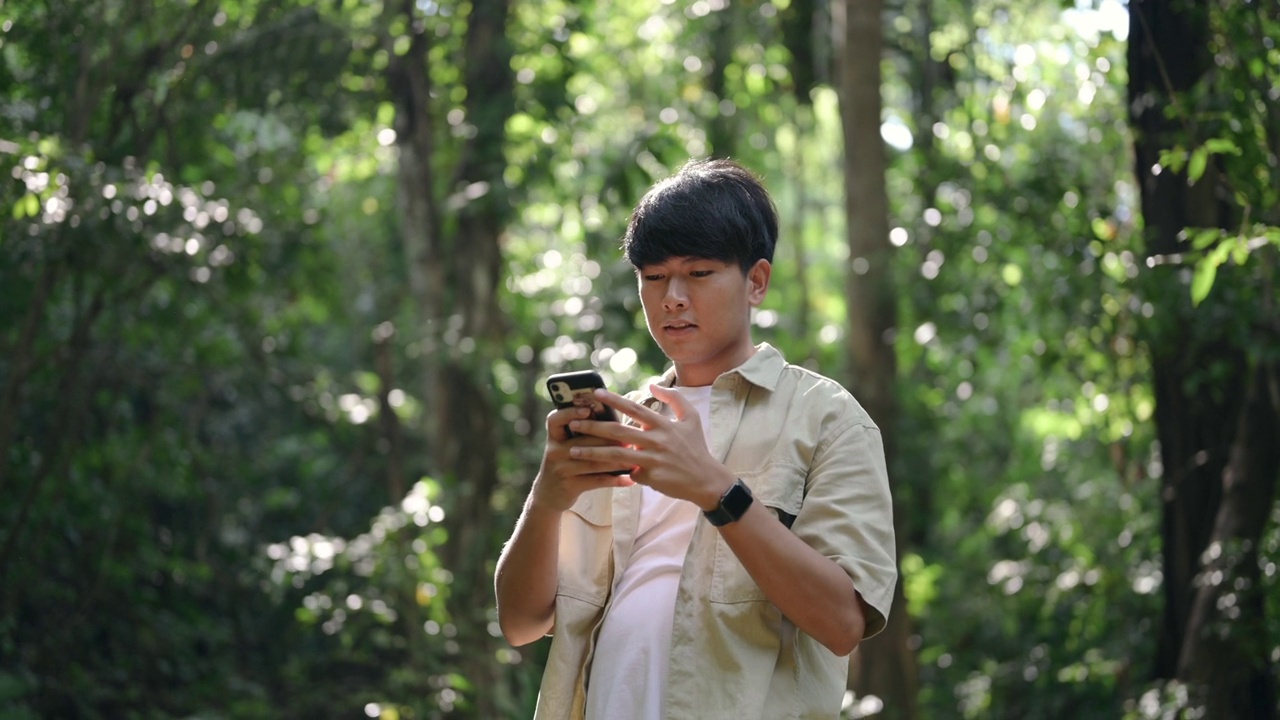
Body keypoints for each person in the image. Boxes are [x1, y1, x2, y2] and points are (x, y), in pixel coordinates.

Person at [494, 158, 897, 719]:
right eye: (654, 277)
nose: (672, 298)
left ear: (756, 281)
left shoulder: (828, 418)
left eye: (699, 273)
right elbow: (521, 623)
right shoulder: (622, 424)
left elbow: (842, 622)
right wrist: (547, 496)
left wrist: (716, 490)